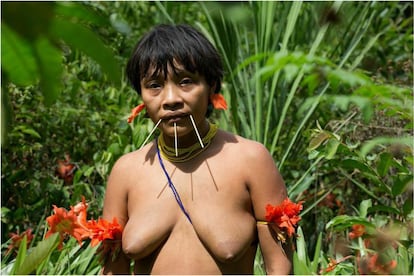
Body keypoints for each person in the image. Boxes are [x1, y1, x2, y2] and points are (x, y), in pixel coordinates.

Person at [101, 24, 292, 274]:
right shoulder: (126, 171)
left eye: (186, 82)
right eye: (154, 86)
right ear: (141, 95)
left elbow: (280, 269)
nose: (170, 99)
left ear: (212, 85)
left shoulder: (251, 160)